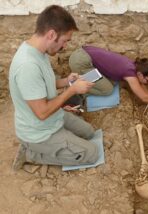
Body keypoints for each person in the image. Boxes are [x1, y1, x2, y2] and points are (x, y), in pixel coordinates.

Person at [9, 5, 99, 170]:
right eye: (65, 41)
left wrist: (66, 81)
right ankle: (31, 154)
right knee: (92, 153)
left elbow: (43, 84)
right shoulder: (28, 65)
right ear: (51, 34)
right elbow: (42, 112)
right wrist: (72, 90)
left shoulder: (39, 52)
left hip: (53, 117)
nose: (65, 46)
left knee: (89, 132)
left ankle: (64, 140)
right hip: (38, 132)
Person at [69, 46, 148, 107]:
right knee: (107, 89)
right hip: (80, 61)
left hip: (83, 55)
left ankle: (82, 80)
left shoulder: (135, 67)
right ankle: (74, 86)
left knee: (113, 82)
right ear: (140, 75)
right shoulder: (131, 74)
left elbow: (141, 86)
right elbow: (144, 97)